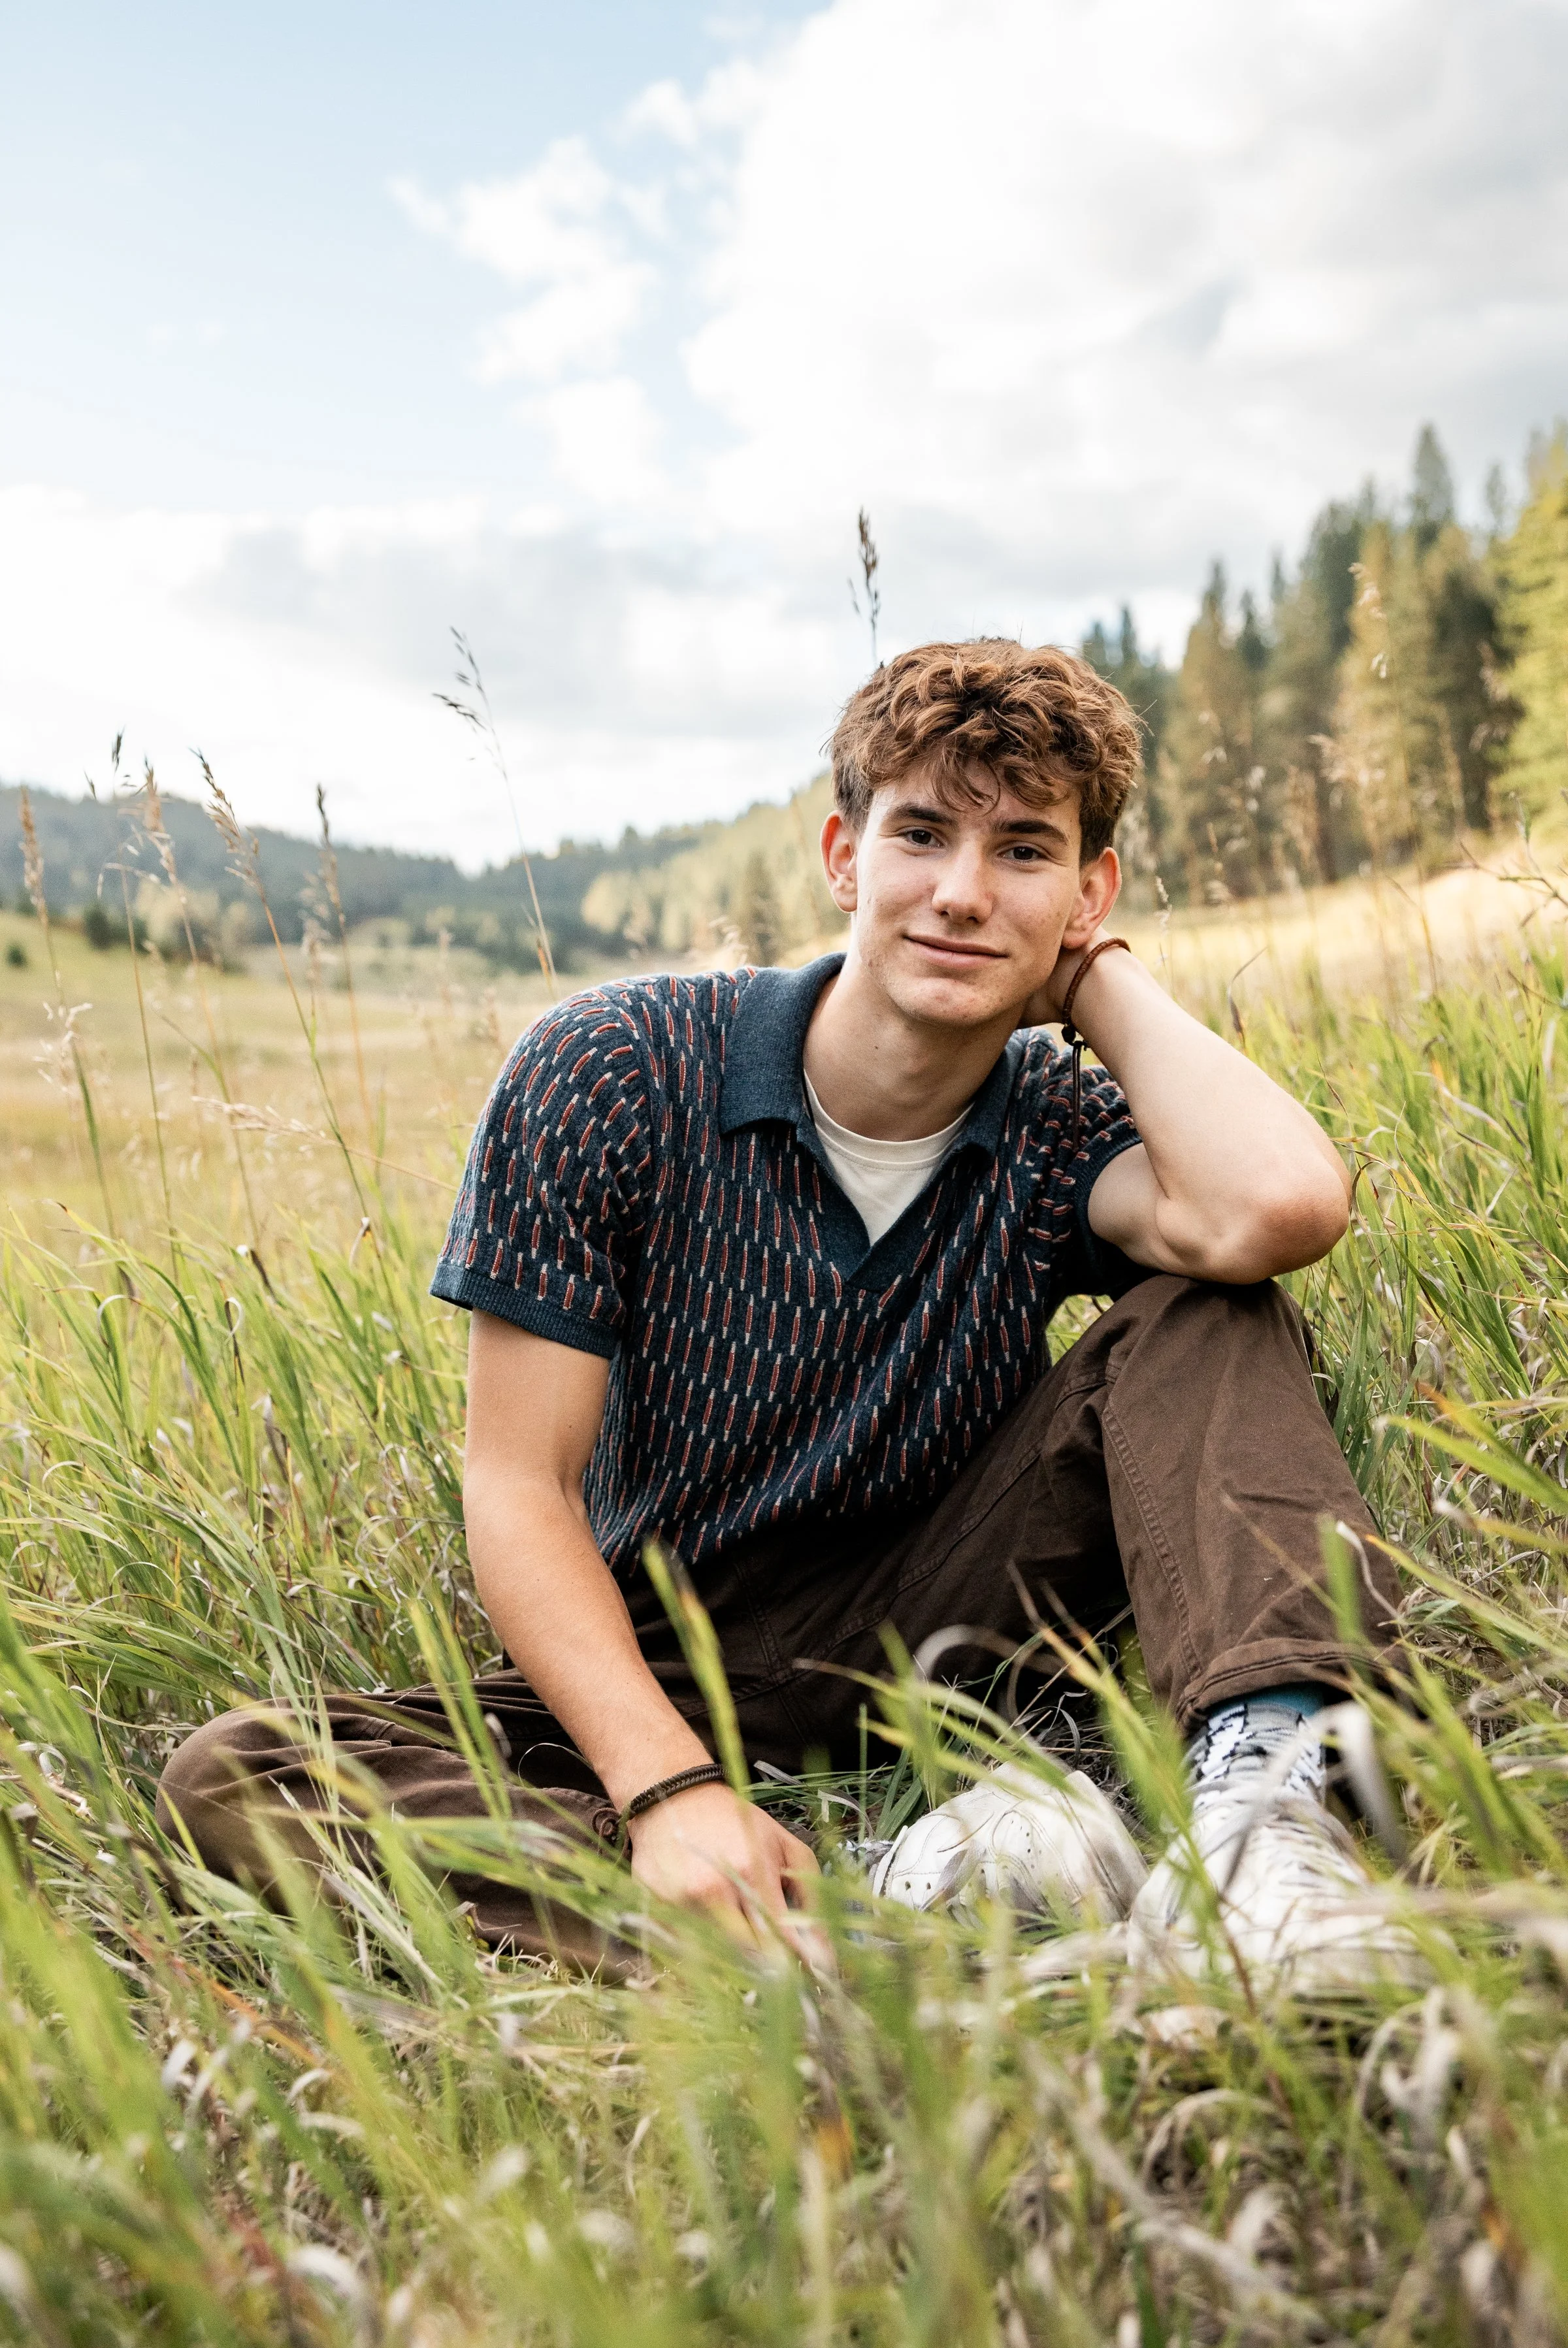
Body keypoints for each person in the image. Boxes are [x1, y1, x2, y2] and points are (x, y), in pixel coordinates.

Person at [158, 639, 1411, 1988]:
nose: (962, 893)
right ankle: (867, 1932)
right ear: (842, 855)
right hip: (671, 1648)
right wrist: (662, 1791)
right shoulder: (613, 1070)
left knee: (1210, 1311)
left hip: (956, 1619)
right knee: (239, 1775)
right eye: (920, 833)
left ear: (1090, 889)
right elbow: (520, 1486)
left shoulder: (1056, 1122)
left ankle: (1272, 1833)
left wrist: (1098, 978)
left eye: (1026, 853)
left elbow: (1277, 1209)